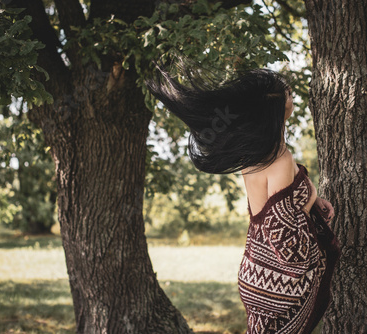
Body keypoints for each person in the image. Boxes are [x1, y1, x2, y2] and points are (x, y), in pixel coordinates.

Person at [145, 54, 340, 334]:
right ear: (273, 105)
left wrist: (312, 201)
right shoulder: (279, 157)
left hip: (257, 272)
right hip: (279, 280)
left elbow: (274, 206)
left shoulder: (257, 153)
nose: (291, 93)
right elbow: (284, 236)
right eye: (286, 92)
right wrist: (314, 220)